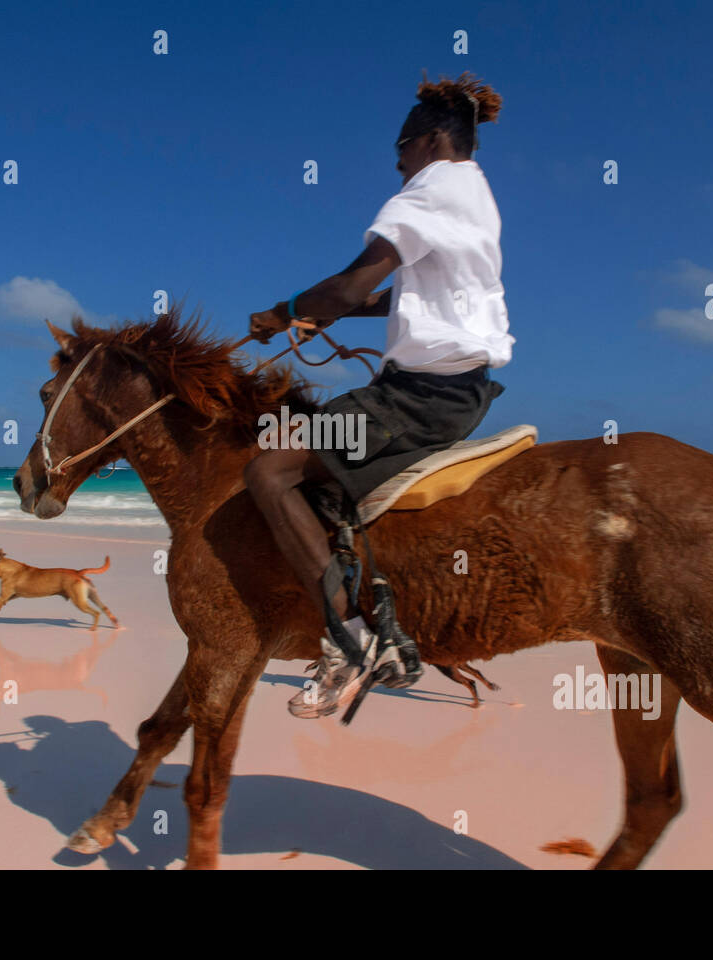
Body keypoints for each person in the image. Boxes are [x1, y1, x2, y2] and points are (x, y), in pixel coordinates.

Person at [245, 72, 514, 719]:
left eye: (399, 148)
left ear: (424, 140)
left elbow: (347, 285)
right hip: (465, 390)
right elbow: (405, 295)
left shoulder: (425, 192)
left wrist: (285, 313)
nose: (395, 163)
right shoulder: (474, 191)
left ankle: (351, 638)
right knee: (324, 474)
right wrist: (338, 315)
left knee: (271, 466)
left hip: (415, 400)